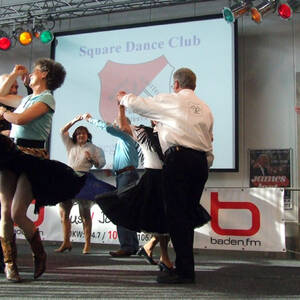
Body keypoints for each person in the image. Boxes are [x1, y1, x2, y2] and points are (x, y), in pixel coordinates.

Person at [117, 67, 214, 284]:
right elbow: (210, 139)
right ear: (194, 85)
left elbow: (140, 105)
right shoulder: (206, 109)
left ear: (176, 84)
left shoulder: (173, 100)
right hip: (200, 164)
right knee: (186, 216)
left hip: (178, 160)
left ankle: (185, 273)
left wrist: (123, 98)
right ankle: (184, 268)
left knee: (177, 217)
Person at [0, 58, 66, 282]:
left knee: (17, 212)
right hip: (12, 154)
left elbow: (20, 119)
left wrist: (2, 114)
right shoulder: (26, 98)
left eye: (35, 70)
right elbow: (0, 96)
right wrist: (11, 75)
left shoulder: (46, 98)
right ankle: (10, 265)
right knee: (5, 211)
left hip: (32, 158)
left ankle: (39, 253)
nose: (31, 74)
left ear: (44, 74)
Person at [95, 104, 176, 271]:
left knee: (165, 219)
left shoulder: (170, 135)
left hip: (167, 179)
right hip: (152, 179)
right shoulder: (142, 131)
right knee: (159, 219)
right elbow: (123, 126)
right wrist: (122, 107)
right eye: (156, 116)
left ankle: (152, 250)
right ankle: (162, 256)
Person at [82, 112, 140, 257]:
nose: (114, 125)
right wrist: (114, 171)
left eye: (117, 123)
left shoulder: (126, 136)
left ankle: (127, 246)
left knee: (122, 210)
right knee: (126, 210)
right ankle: (131, 245)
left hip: (127, 176)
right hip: (124, 175)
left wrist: (90, 119)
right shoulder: (124, 140)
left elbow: (107, 128)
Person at [55, 115, 114, 254]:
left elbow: (101, 164)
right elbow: (62, 130)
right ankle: (66, 242)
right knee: (64, 212)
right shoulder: (70, 144)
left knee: (85, 214)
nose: (81, 135)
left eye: (83, 133)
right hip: (69, 177)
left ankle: (87, 244)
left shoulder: (95, 148)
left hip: (84, 179)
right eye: (78, 133)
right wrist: (75, 120)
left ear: (88, 135)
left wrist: (92, 158)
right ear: (75, 136)